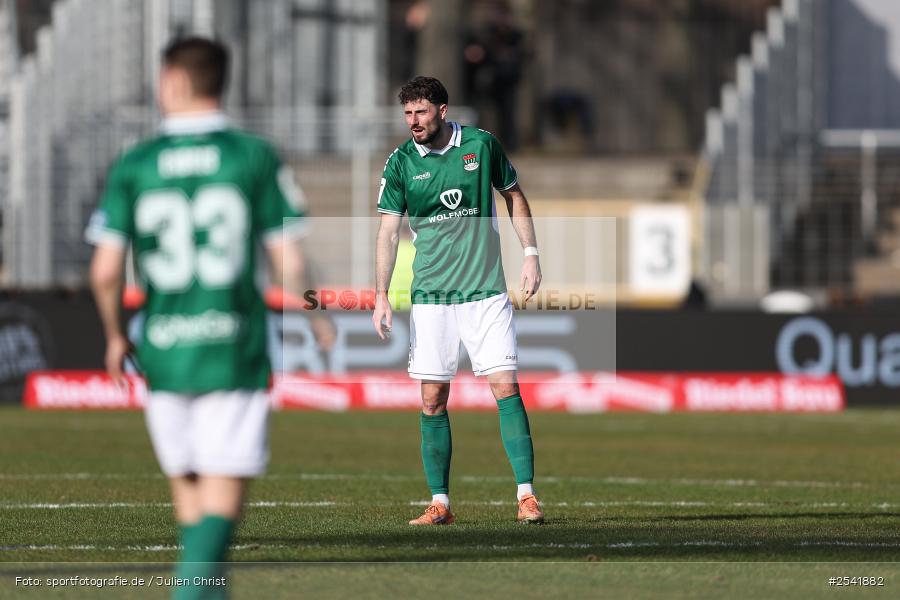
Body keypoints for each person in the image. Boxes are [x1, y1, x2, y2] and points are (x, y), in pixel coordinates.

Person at [87, 37, 325, 598]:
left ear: (172, 80)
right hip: (232, 348)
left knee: (192, 506)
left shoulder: (135, 162)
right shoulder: (253, 155)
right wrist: (316, 312)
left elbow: (103, 272)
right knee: (216, 518)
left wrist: (116, 336)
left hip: (164, 352)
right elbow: (288, 258)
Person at [372, 76, 544, 525]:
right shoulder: (401, 163)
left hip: (486, 292)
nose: (413, 122)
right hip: (431, 297)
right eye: (407, 114)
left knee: (505, 387)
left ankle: (526, 496)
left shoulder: (482, 146)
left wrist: (530, 254)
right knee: (432, 398)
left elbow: (514, 196)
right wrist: (380, 295)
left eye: (421, 112)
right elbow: (388, 232)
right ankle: (440, 503)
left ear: (442, 111)